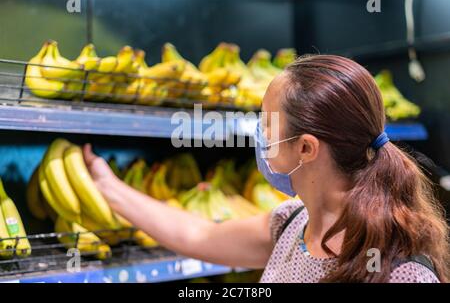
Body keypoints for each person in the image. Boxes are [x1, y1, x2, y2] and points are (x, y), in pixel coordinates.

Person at [83, 55, 449, 283]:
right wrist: (106, 183)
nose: (259, 136)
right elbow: (197, 236)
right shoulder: (291, 223)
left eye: (267, 127)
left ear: (306, 148)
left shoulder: (400, 270)